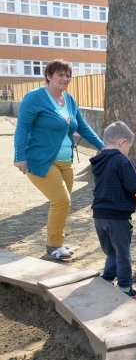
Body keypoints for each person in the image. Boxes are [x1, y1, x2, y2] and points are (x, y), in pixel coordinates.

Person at [13, 59, 104, 260]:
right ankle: (54, 246)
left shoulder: (69, 100)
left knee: (63, 203)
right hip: (41, 160)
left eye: (68, 75)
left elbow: (83, 126)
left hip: (66, 161)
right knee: (61, 200)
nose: (65, 79)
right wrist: (19, 157)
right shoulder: (34, 98)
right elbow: (23, 128)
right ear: (49, 76)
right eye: (60, 75)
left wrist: (103, 147)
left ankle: (57, 242)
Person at [89, 122, 136, 299]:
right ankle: (125, 287)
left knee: (112, 251)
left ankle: (107, 278)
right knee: (123, 253)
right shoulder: (122, 160)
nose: (128, 150)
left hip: (99, 214)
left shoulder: (99, 160)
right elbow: (135, 187)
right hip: (117, 216)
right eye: (129, 147)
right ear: (123, 142)